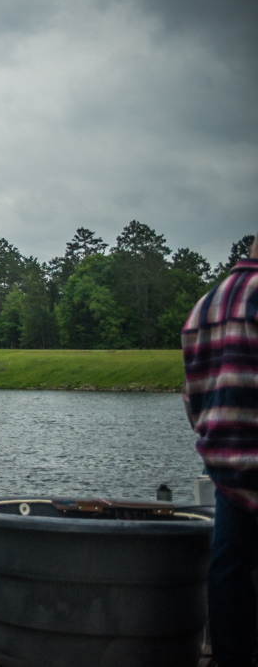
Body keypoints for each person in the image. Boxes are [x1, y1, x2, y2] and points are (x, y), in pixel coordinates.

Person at [183, 233, 258, 667]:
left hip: (227, 469)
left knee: (227, 569)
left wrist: (214, 444)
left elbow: (192, 395)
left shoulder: (204, 306)